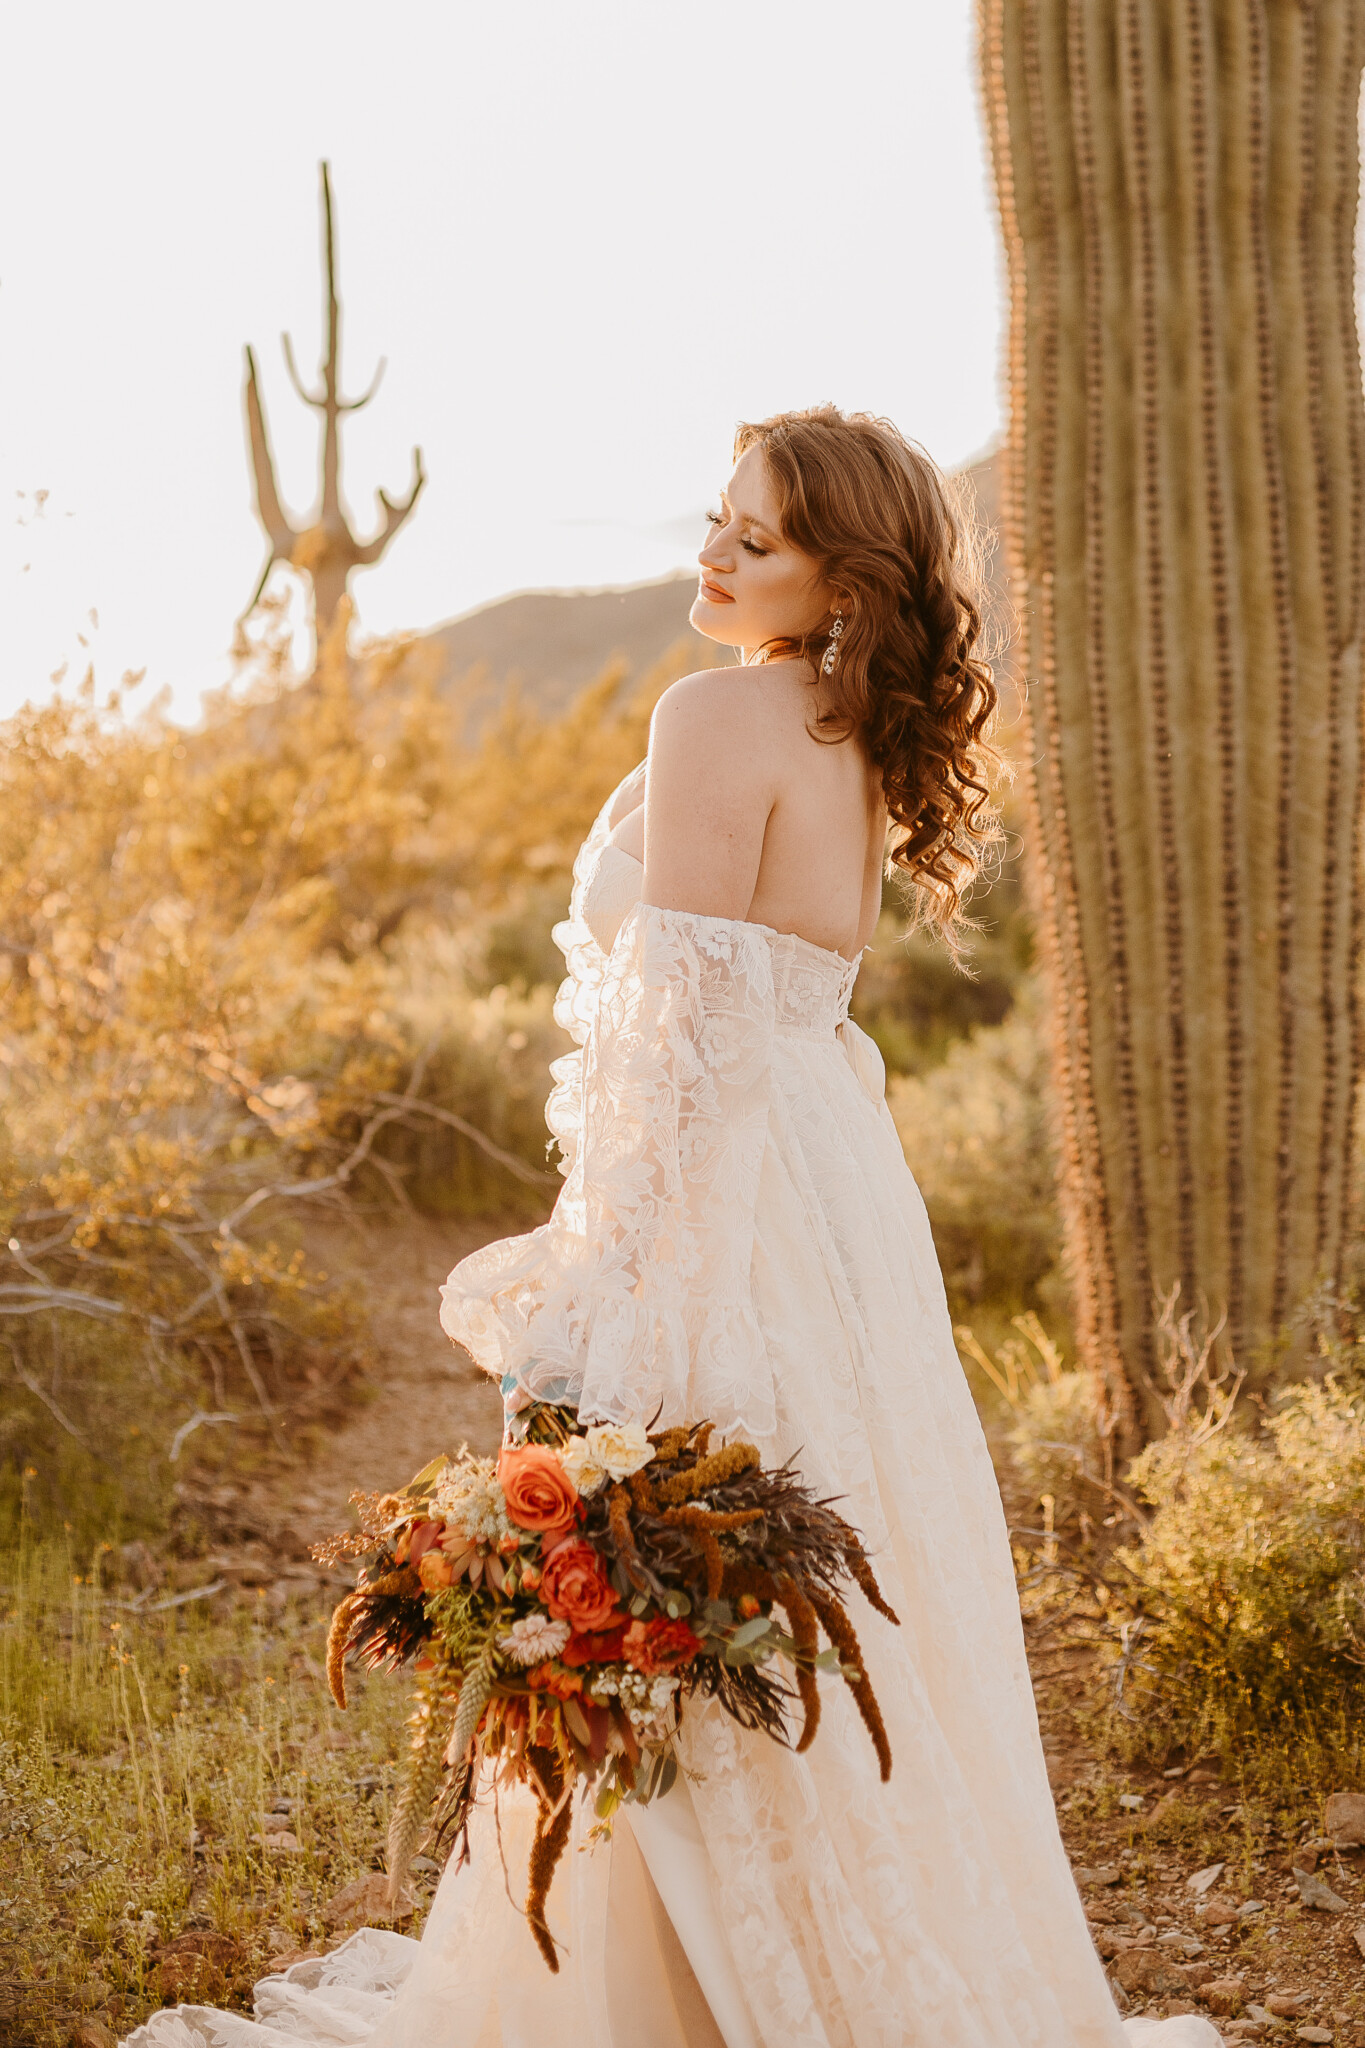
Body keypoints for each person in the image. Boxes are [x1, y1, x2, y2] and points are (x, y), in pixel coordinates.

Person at [128, 408, 1219, 2047]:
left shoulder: (715, 715)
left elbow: (685, 1042)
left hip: (729, 1199)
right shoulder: (851, 733)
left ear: (842, 578)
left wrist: (602, 1305)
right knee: (806, 1586)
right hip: (832, 1201)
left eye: (755, 539)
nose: (711, 553)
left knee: (681, 1555)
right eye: (714, 519)